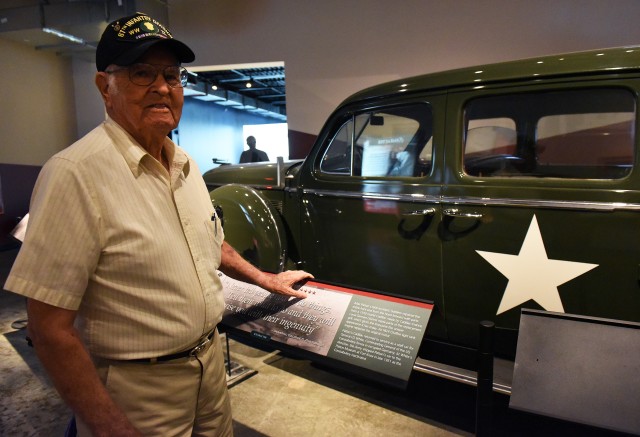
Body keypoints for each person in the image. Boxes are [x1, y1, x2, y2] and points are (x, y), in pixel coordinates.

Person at [4, 12, 312, 437]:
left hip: (208, 372)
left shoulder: (185, 164)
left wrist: (267, 279)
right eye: (141, 73)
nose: (162, 87)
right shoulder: (76, 173)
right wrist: (111, 426)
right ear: (104, 87)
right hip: (138, 391)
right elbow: (49, 329)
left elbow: (211, 242)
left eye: (171, 74)